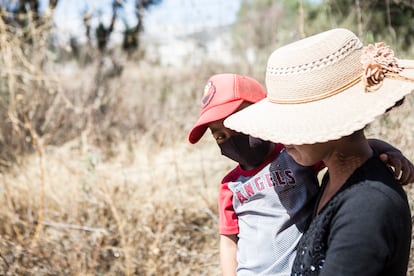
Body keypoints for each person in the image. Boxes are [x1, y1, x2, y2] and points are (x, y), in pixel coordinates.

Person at [224, 28, 414, 275]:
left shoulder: (366, 210)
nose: (278, 137)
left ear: (328, 120)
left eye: (289, 123)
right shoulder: (335, 180)